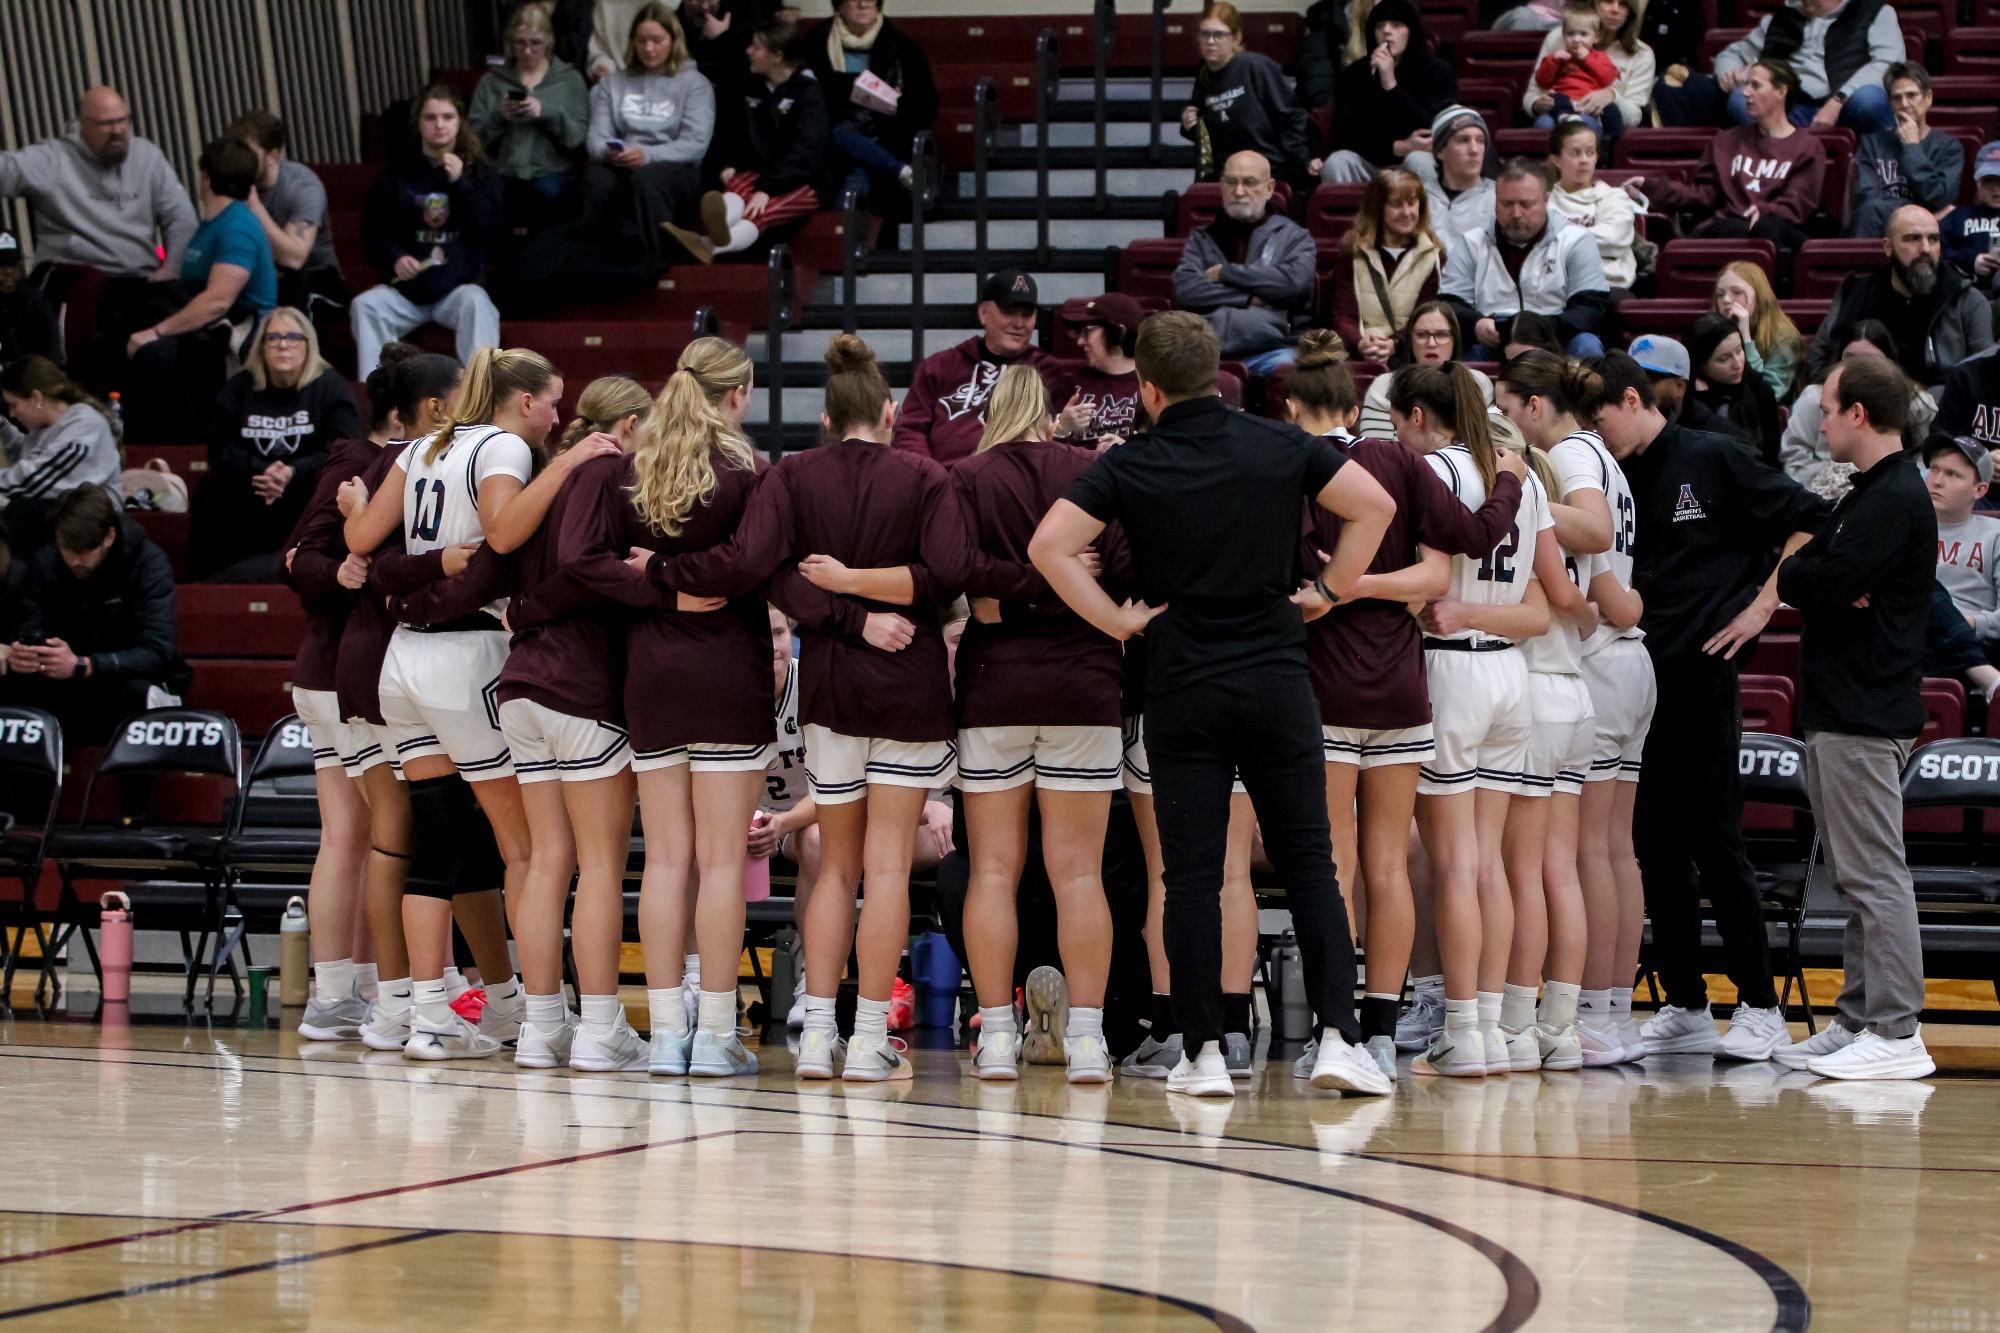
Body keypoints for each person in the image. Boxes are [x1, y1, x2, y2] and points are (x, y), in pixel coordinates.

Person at [1029, 309, 1398, 1098]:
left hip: (1182, 683)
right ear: (1218, 374)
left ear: (1148, 387)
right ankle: (1338, 1037)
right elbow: (1375, 507)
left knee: (1191, 876)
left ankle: (1202, 1054)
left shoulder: (1130, 462)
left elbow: (1048, 546)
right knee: (1312, 866)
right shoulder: (1279, 442)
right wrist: (1331, 591)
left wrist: (1116, 619)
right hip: (1275, 677)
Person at [642, 335, 965, 1083]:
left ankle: (815, 1037)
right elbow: (946, 573)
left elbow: (772, 576)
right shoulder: (926, 475)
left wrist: (843, 602)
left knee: (837, 869)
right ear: (889, 411)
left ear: (824, 417)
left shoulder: (789, 475)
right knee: (887, 872)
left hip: (827, 688)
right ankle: (867, 1039)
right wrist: (876, 604)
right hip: (908, 682)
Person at [342, 346, 616, 1060]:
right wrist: (564, 463)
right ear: (523, 401)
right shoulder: (502, 447)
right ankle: (538, 1016)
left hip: (403, 657)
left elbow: (361, 537)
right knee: (524, 845)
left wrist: (423, 564)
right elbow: (500, 531)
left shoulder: (426, 445)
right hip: (467, 659)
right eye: (552, 401)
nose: (559, 415)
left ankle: (429, 1013)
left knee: (436, 840)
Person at [1283, 333, 1527, 1078]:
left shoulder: (1287, 467)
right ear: (1360, 406)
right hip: (1401, 689)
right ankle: (1385, 1035)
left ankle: (1338, 1031)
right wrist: (1511, 476)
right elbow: (1475, 537)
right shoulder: (1397, 460)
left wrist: (1333, 589)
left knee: (1334, 867)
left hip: (1322, 691)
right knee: (1388, 864)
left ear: (1291, 407)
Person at [1583, 349, 1829, 1062]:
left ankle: (1760, 1006)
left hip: (1703, 677)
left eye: (1603, 418)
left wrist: (1762, 606)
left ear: (1633, 399)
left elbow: (1810, 518)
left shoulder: (1714, 456)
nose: (1598, 434)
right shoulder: (1611, 476)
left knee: (1718, 845)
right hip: (1636, 682)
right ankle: (1687, 1003)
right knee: (1655, 850)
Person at [886, 364, 1123, 1084]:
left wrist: (1008, 596)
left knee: (991, 868)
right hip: (1085, 681)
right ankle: (1087, 1039)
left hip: (995, 686)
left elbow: (952, 567)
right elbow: (1120, 565)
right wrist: (1059, 580)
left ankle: (995, 1034)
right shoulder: (1093, 470)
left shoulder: (967, 476)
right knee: (1080, 872)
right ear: (1052, 416)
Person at [1382, 362, 1557, 1078]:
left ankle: (1460, 1026)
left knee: (1455, 863)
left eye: (1397, 422)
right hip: (1512, 672)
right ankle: (1487, 1025)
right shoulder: (1526, 475)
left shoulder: (1437, 474)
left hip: (1450, 667)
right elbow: (1546, 603)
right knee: (1486, 862)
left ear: (1420, 416)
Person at [1771, 355, 1937, 1080]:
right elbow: (1811, 575)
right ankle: (1859, 1016)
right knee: (1854, 872)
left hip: (1867, 709)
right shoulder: (1870, 493)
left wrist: (1824, 577)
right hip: (1844, 706)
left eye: (1831, 409)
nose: (1822, 421)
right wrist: (1821, 577)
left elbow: (1816, 577)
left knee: (1874, 874)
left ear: (1860, 415)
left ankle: (1897, 1029)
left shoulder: (1894, 496)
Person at [488, 375, 657, 1073]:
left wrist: (524, 614)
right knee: (598, 866)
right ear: (625, 426)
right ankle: (598, 1027)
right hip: (577, 684)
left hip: (522, 685)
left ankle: (540, 1026)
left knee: (545, 861)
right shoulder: (609, 471)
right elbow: (586, 571)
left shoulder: (541, 476)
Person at [279, 349, 430, 1044]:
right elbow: (298, 556)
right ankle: (348, 992)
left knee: (355, 835)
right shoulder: (355, 465)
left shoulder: (387, 463)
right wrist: (338, 570)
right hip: (340, 668)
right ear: (405, 414)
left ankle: (351, 991)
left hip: (337, 669)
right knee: (359, 835)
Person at [80, 136, 276, 446]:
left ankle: (175, 448)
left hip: (234, 337)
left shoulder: (237, 227)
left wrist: (156, 332)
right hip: (206, 332)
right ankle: (109, 439)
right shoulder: (211, 226)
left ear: (206, 176)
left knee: (153, 355)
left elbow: (217, 301)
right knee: (101, 348)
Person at [0, 485, 186, 745]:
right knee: (14, 684)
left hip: (121, 675)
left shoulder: (148, 564)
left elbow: (157, 652)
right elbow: (29, 623)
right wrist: (28, 653)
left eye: (85, 550)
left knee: (134, 694)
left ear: (108, 537)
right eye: (69, 549)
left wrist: (87, 665)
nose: (76, 560)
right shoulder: (45, 562)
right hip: (66, 676)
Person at [191, 307, 363, 582]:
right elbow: (219, 449)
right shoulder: (240, 387)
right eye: (273, 338)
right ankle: (211, 580)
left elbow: (346, 447)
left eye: (293, 337)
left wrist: (292, 471)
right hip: (251, 488)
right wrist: (264, 470)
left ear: (308, 344)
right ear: (261, 347)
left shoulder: (330, 386)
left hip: (306, 488)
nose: (283, 344)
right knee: (210, 488)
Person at [351, 88, 504, 379]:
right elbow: (373, 232)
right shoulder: (396, 175)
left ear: (460, 122)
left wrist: (460, 183)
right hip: (408, 290)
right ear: (418, 123)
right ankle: (378, 396)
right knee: (366, 305)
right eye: (430, 117)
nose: (439, 124)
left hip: (457, 287)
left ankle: (480, 396)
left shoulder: (479, 173)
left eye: (448, 117)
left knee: (478, 303)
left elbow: (489, 228)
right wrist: (395, 257)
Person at [1627, 60, 1826, 266]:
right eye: (1745, 85)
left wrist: (1767, 210)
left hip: (1775, 229)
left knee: (1765, 229)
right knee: (1732, 228)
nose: (1746, 93)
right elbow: (1704, 194)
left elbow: (1799, 204)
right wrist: (1652, 186)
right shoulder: (1726, 140)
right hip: (1730, 225)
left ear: (1781, 91)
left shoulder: (1807, 146)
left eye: (1755, 86)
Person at [668, 19, 830, 263]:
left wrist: (767, 190)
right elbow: (732, 133)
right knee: (738, 187)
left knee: (758, 211)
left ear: (777, 56)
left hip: (804, 181)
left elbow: (804, 152)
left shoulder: (808, 93)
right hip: (761, 171)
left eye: (756, 47)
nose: (749, 52)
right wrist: (728, 162)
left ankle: (708, 246)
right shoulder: (749, 87)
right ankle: (719, 224)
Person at [0, 87, 195, 283]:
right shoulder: (52, 160)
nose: (118, 130)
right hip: (76, 280)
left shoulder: (148, 157)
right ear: (83, 125)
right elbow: (6, 170)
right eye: (107, 123)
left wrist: (172, 268)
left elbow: (182, 218)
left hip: (140, 278)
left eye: (123, 121)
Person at [582, 3, 714, 272]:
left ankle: (655, 262)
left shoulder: (694, 83)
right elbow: (596, 137)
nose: (649, 48)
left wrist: (648, 155)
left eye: (657, 40)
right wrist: (608, 153)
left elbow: (695, 145)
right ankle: (597, 261)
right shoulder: (614, 83)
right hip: (624, 161)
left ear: (673, 41)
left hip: (676, 168)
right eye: (642, 40)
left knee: (646, 178)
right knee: (596, 178)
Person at [1440, 159, 1612, 361]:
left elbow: (1590, 310)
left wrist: (1536, 330)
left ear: (1546, 200)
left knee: (1587, 345)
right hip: (1494, 336)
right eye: (1506, 203)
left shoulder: (1576, 240)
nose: (1516, 213)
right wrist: (1476, 324)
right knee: (1461, 356)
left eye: (1526, 204)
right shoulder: (1471, 243)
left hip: (1556, 335)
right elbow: (1449, 305)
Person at [1810, 204, 1994, 393]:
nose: (1925, 249)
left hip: (1937, 408)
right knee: (1811, 397)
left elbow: (1985, 373)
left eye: (1933, 239)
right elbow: (1819, 360)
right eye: (1913, 239)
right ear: (1888, 247)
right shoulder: (1855, 293)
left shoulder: (1966, 299)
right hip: (1861, 398)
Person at [895, 268, 1066, 465]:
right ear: (984, 313)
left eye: (1027, 315)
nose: (1019, 323)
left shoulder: (1046, 371)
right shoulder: (940, 366)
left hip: (1013, 481)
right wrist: (930, 478)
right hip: (945, 482)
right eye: (1009, 312)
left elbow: (1057, 437)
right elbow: (910, 430)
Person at [1654, 0, 1902, 134]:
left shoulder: (1875, 12)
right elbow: (1733, 53)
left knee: (1871, 98)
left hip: (1845, 106)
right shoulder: (1784, 17)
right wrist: (1729, 75)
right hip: (1787, 106)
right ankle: (1766, 172)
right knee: (1740, 98)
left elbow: (1888, 64)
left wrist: (1838, 100)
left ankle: (1877, 174)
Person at [1172, 150, 1315, 375]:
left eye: (1249, 182)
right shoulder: (1203, 238)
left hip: (1273, 351)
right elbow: (1186, 289)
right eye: (1231, 182)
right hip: (1205, 354)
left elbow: (1293, 284)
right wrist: (1248, 297)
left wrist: (1226, 274)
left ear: (1269, 188)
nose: (1239, 191)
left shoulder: (1294, 237)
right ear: (1221, 186)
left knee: (1292, 370)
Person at [806, 0, 940, 200]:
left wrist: (897, 103)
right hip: (828, 138)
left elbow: (926, 104)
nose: (863, 4)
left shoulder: (903, 47)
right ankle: (901, 171)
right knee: (849, 156)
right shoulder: (814, 43)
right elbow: (804, 95)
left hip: (886, 134)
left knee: (858, 171)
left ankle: (846, 225)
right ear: (838, 6)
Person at [472, 2, 591, 228]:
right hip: (504, 170)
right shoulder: (492, 81)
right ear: (510, 42)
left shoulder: (570, 80)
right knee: (488, 195)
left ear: (548, 41)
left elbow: (579, 139)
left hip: (551, 172)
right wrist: (499, 116)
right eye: (520, 43)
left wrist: (544, 113)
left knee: (548, 194)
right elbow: (472, 140)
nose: (527, 51)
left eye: (535, 43)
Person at [1784, 322, 1938, 495]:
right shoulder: (1814, 398)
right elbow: (1794, 455)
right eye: (1850, 358)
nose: (1858, 367)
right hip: (1821, 491)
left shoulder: (1918, 403)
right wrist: (1831, 481)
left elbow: (1925, 459)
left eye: (1870, 360)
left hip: (1893, 488)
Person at [1319, 0, 1457, 182]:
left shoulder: (1437, 71)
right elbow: (1343, 136)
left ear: (1411, 31)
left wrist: (1391, 86)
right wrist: (1398, 146)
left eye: (1396, 25)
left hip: (1414, 160)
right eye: (1379, 26)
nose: (1386, 31)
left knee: (1420, 161)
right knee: (1336, 162)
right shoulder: (1355, 74)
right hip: (1371, 161)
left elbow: (1432, 127)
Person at [1182, 2, 1316, 187]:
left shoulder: (1255, 67)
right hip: (1228, 176)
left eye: (1219, 35)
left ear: (1236, 38)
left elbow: (1293, 116)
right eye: (1205, 34)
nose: (1210, 41)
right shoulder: (1204, 78)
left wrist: (1304, 158)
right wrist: (1190, 126)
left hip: (1272, 170)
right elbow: (1211, 136)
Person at [227, 110, 346, 317]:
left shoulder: (302, 185)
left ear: (273, 155)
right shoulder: (233, 183)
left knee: (294, 287)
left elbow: (295, 257)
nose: (241, 162)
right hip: (263, 272)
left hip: (315, 275)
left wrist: (254, 206)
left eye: (248, 154)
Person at [1329, 167, 1445, 361]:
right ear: (1377, 208)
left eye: (1412, 203)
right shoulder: (1352, 253)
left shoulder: (1435, 256)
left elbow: (1426, 316)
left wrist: (1395, 343)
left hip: (1410, 355)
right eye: (1396, 204)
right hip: (1359, 352)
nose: (1407, 212)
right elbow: (1342, 315)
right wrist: (1361, 342)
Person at [0, 356, 122, 532]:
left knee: (22, 510)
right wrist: (4, 428)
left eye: (14, 405)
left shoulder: (84, 425)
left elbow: (37, 479)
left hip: (93, 524)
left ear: (36, 398)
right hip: (64, 513)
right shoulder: (42, 427)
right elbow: (27, 460)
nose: (11, 413)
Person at [1848, 64, 1962, 241]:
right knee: (1869, 211)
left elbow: (1938, 198)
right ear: (1890, 104)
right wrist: (1921, 213)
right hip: (1879, 231)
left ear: (1928, 98)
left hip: (1927, 239)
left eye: (1912, 95)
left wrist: (1912, 147)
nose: (1904, 104)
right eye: (1897, 98)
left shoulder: (1949, 148)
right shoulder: (1872, 143)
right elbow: (1866, 197)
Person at [1358, 301, 1494, 438]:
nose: (1431, 343)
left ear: (1455, 339)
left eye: (1441, 335)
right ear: (1410, 339)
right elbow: (1376, 453)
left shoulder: (1478, 384)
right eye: (1422, 335)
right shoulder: (1384, 386)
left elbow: (1486, 445)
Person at [1524, 0, 1656, 139]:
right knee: (1544, 125)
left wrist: (1613, 96)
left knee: (1585, 131)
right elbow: (1532, 93)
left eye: (1623, 4)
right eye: (1608, 1)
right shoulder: (1560, 36)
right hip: (1556, 114)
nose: (1615, 10)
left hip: (1602, 127)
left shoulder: (1642, 53)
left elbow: (1635, 118)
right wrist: (1536, 105)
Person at [1546, 121, 1640, 294]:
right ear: (1557, 159)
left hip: (1608, 286)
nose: (1584, 160)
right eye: (1575, 153)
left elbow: (1613, 239)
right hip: (1556, 288)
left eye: (1590, 153)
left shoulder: (1614, 197)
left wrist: (1556, 238)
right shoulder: (1545, 201)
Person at [1687, 312, 1784, 470]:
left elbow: (1770, 457)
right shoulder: (1686, 397)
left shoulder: (1760, 390)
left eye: (1739, 351)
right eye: (1724, 359)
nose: (1738, 364)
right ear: (1700, 365)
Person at [1054, 294, 1143, 449]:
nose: (1081, 341)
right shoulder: (1074, 383)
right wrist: (1061, 428)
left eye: (1088, 331)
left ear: (1118, 333)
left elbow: (1163, 447)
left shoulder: (1151, 384)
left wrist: (1128, 449)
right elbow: (1040, 451)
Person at [1713, 261, 1804, 400]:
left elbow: (1769, 395)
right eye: (1720, 294)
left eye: (1737, 292)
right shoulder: (1710, 330)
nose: (1725, 299)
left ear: (1759, 296)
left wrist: (1745, 337)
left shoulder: (1785, 337)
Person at [1409, 105, 1495, 253]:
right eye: (1463, 140)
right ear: (1441, 151)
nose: (1474, 150)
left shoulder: (1499, 198)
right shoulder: (1417, 198)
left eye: (1480, 141)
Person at [1527, 9, 1623, 137]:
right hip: (1559, 105)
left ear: (1596, 37)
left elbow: (1608, 78)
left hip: (1585, 107)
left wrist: (1587, 59)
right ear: (1563, 35)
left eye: (1583, 34)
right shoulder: (1557, 58)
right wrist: (1553, 61)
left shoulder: (1600, 57)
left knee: (1588, 125)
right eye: (1570, 34)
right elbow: (1542, 80)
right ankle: (1563, 120)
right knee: (1543, 122)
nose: (1576, 39)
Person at [1941, 143, 2000, 309]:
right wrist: (1971, 260)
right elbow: (1935, 249)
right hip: (1966, 292)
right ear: (1978, 182)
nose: (1996, 188)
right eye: (1989, 180)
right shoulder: (1959, 217)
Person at [0, 233, 63, 367]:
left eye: (13, 265)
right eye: (2, 265)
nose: (8, 272)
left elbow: (51, 352)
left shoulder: (34, 301)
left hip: (32, 377)